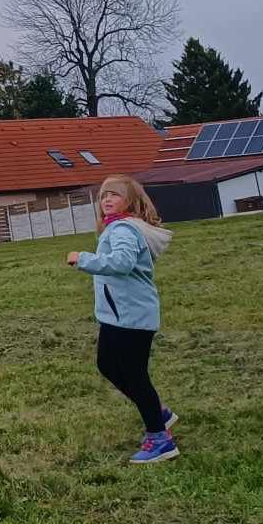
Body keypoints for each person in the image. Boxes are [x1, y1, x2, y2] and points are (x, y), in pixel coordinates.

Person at [67, 175, 177, 465]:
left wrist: (83, 259)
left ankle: (160, 438)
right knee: (107, 364)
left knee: (134, 374)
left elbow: (122, 263)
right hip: (117, 314)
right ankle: (159, 413)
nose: (106, 200)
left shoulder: (124, 229)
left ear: (130, 200)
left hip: (131, 316)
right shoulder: (117, 227)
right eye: (103, 196)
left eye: (114, 195)